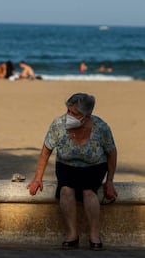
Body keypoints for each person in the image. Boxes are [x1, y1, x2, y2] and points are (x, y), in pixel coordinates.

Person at [27, 93, 118, 250]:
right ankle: (72, 235)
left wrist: (109, 181)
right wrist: (37, 179)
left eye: (74, 113)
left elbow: (112, 153)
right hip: (66, 166)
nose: (69, 116)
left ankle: (94, 235)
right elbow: (45, 152)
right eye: (68, 111)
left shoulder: (101, 127)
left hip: (94, 166)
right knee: (66, 191)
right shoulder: (58, 125)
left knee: (89, 192)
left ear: (86, 115)